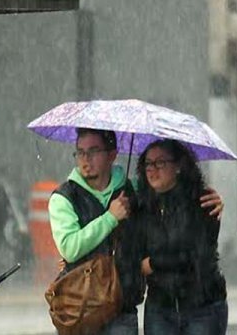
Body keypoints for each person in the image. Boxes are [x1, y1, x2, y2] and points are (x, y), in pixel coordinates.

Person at [48, 128, 224, 334]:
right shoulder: (65, 197)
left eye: (93, 151)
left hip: (124, 307)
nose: (85, 159)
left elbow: (183, 242)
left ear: (112, 154)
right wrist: (110, 219)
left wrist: (151, 264)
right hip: (81, 307)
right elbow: (70, 248)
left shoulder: (132, 193)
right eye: (80, 152)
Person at [136, 139, 228, 334]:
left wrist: (152, 264)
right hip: (160, 307)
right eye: (148, 163)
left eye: (160, 163)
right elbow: (134, 252)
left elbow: (194, 256)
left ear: (178, 166)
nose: (153, 169)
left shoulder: (204, 202)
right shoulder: (142, 207)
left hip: (202, 306)